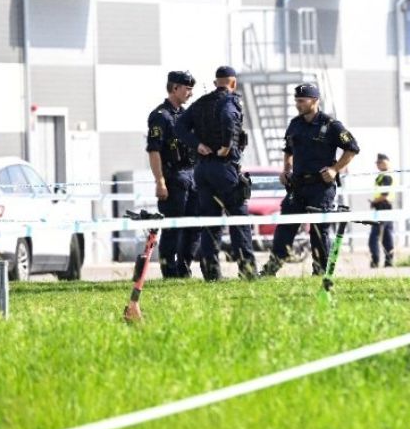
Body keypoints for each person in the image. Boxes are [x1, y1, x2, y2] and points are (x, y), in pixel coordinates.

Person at [260, 83, 360, 278]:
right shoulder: (295, 124)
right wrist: (286, 170)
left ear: (315, 101)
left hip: (320, 187)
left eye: (302, 101)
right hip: (297, 185)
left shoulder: (331, 125)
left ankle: (321, 272)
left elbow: (352, 148)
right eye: (296, 101)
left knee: (319, 230)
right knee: (285, 228)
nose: (298, 104)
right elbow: (288, 150)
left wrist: (334, 169)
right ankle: (270, 270)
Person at [173, 66, 256, 281]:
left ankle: (211, 273)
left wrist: (197, 144)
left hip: (202, 170)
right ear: (233, 83)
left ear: (215, 83)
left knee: (211, 222)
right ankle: (247, 271)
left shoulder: (200, 103)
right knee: (239, 219)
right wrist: (228, 145)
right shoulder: (230, 101)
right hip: (224, 167)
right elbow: (229, 119)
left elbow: (180, 126)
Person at [145, 70, 201, 279]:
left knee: (193, 227)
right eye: (187, 89)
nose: (190, 93)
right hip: (174, 177)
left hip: (192, 176)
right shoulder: (161, 116)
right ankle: (169, 272)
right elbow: (154, 150)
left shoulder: (186, 116)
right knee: (172, 228)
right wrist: (160, 182)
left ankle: (184, 268)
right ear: (175, 88)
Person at [368, 154, 395, 268]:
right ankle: (389, 261)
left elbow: (384, 194)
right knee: (387, 235)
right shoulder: (383, 176)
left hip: (382, 206)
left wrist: (374, 202)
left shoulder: (386, 176)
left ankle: (375, 259)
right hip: (385, 207)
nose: (378, 165)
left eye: (379, 162)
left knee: (374, 236)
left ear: (385, 162)